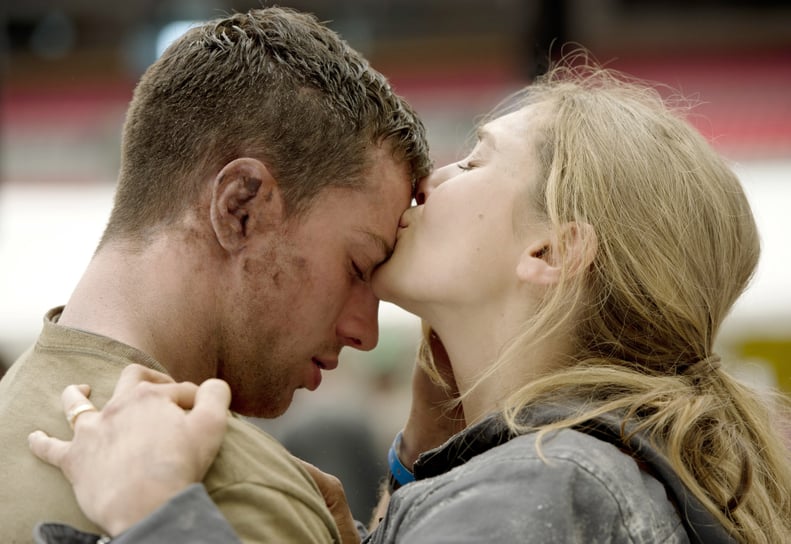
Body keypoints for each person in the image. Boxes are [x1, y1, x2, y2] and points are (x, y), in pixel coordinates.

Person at [31, 56, 791, 543]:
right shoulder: (570, 474)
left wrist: (155, 511)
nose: (433, 180)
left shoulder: (547, 485)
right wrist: (414, 480)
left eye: (476, 158)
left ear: (550, 251)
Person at [0, 6, 431, 543]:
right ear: (241, 207)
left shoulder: (10, 412)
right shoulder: (232, 492)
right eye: (358, 267)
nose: (365, 331)